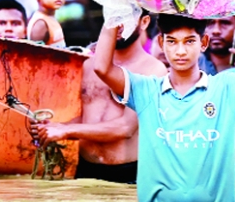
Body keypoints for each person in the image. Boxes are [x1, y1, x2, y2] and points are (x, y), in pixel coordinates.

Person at [92, 0, 235, 202]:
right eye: (172, 41)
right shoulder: (147, 90)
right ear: (161, 44)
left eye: (189, 41)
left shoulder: (226, 87)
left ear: (203, 44)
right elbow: (101, 67)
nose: (180, 51)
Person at [31, 10, 168, 184]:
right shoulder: (88, 65)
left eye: (125, 17)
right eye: (113, 17)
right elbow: (87, 118)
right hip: (86, 168)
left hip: (127, 173)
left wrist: (65, 130)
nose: (117, 26)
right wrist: (53, 128)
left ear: (144, 22)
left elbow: (125, 128)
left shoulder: (153, 70)